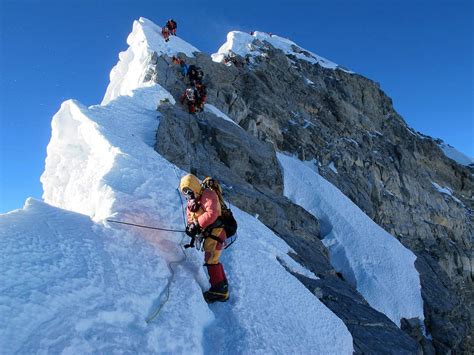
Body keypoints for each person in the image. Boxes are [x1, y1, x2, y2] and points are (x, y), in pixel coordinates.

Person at [179, 174, 229, 303]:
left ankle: (219, 291)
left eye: (189, 190)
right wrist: (191, 226)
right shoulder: (193, 200)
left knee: (211, 260)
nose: (188, 194)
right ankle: (222, 287)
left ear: (195, 186)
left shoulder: (208, 194)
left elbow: (212, 213)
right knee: (213, 259)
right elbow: (191, 215)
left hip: (217, 233)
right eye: (185, 191)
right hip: (210, 234)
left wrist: (197, 224)